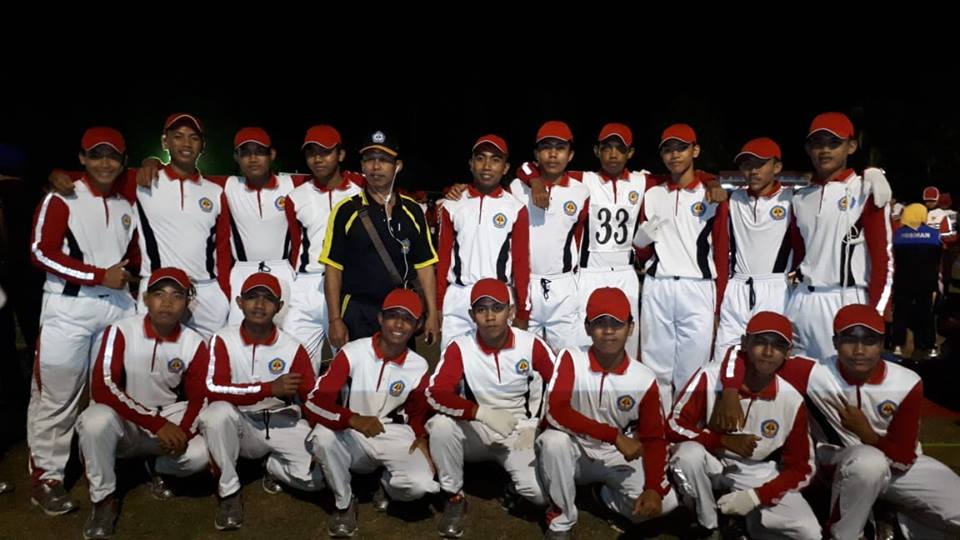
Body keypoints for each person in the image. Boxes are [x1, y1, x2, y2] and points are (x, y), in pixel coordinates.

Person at [715, 304, 960, 539]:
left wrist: (866, 433)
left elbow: (905, 458)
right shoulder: (815, 373)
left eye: (869, 340)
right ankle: (845, 535)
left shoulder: (906, 382)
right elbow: (740, 352)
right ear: (835, 342)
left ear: (883, 342)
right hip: (840, 463)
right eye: (849, 340)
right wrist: (730, 391)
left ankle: (898, 519)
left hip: (900, 466)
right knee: (868, 463)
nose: (859, 350)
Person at [28, 127, 138, 515]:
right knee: (58, 396)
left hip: (116, 308)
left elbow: (131, 257)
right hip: (69, 310)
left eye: (112, 156)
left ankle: (109, 463)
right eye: (96, 155)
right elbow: (41, 253)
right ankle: (47, 477)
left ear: (123, 161)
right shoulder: (62, 197)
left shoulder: (125, 204)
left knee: (117, 390)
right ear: (82, 158)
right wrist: (97, 276)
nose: (104, 163)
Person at [77, 267, 209, 539]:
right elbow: (102, 387)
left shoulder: (194, 342)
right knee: (95, 420)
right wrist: (156, 424)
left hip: (167, 418)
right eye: (159, 294)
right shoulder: (121, 331)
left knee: (201, 454)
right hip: (127, 421)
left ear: (187, 302)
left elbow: (200, 399)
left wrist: (183, 433)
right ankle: (103, 500)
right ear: (146, 299)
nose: (167, 302)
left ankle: (154, 467)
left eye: (177, 296)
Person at [537, 287, 677, 540]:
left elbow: (655, 438)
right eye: (600, 323)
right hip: (575, 449)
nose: (609, 331)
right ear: (587, 327)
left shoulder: (643, 377)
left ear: (631, 327)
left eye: (617, 323)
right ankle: (561, 520)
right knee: (552, 441)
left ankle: (600, 497)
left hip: (615, 457)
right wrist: (614, 435)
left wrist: (654, 488)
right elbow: (555, 411)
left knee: (664, 504)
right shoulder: (571, 358)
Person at [667, 311, 818, 540]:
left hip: (755, 469)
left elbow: (802, 468)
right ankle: (707, 524)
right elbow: (672, 425)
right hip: (710, 458)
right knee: (688, 456)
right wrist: (720, 440)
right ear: (746, 343)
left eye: (778, 345)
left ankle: (747, 524)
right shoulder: (711, 376)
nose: (768, 352)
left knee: (809, 532)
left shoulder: (791, 399)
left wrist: (757, 496)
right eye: (761, 342)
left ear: (788, 352)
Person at [305, 288, 439, 537]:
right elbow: (315, 401)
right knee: (322, 437)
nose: (398, 324)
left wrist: (422, 437)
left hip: (394, 434)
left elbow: (418, 412)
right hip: (352, 433)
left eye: (407, 319)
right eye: (392, 315)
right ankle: (344, 503)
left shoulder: (418, 365)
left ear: (417, 325)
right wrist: (351, 419)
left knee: (421, 485)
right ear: (380, 318)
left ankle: (386, 484)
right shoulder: (353, 351)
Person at [426, 278, 554, 538]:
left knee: (540, 495)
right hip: (478, 428)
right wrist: (481, 413)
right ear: (472, 314)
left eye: (497, 308)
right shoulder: (460, 347)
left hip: (518, 432)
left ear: (511, 311)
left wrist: (539, 425)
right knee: (440, 426)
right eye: (481, 309)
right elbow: (435, 393)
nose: (490, 316)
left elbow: (563, 385)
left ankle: (514, 486)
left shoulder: (531, 344)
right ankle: (454, 496)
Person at [198, 272, 323, 531]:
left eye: (268, 299)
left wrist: (320, 434)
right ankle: (229, 492)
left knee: (319, 478)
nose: (259, 304)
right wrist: (268, 388)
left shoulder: (292, 346)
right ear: (239, 302)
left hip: (281, 422)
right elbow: (213, 389)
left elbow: (311, 396)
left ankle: (273, 467)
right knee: (216, 413)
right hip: (241, 424)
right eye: (252, 297)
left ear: (279, 307)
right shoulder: (223, 339)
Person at [634, 123, 729, 412]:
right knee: (655, 365)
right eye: (668, 150)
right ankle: (657, 425)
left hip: (697, 287)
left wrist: (718, 305)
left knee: (693, 367)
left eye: (681, 148)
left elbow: (722, 252)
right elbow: (643, 251)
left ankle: (686, 425)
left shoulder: (712, 193)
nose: (674, 155)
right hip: (658, 285)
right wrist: (640, 243)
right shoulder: (652, 192)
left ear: (695, 151)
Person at [786, 112, 893, 360]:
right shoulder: (800, 198)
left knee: (837, 380)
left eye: (834, 143)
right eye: (818, 143)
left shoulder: (866, 189)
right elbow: (799, 255)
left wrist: (878, 312)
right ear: (808, 149)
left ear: (851, 146)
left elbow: (883, 258)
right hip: (802, 301)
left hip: (845, 298)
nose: (825, 150)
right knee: (795, 375)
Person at [320, 130, 439, 347]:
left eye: (384, 160)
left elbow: (425, 266)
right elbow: (333, 268)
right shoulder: (345, 210)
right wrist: (334, 319)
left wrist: (432, 314)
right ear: (362, 166)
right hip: (358, 312)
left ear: (397, 166)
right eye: (370, 159)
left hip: (400, 313)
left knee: (401, 369)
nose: (376, 167)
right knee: (357, 369)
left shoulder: (413, 211)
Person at [436, 134, 530, 348]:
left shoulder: (515, 208)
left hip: (498, 299)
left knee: (495, 363)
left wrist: (523, 310)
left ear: (505, 168)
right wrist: (438, 304)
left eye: (495, 160)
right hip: (459, 298)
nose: (487, 166)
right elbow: (442, 260)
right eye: (481, 158)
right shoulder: (451, 204)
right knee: (452, 363)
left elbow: (521, 264)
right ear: (471, 164)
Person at [284, 125, 363, 369]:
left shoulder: (361, 191)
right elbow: (295, 244)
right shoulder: (296, 196)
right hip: (306, 285)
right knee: (297, 364)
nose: (318, 159)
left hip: (346, 284)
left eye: (326, 152)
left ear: (340, 154)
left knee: (348, 364)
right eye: (311, 152)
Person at [509, 121, 590, 353]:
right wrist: (535, 182)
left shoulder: (580, 191)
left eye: (560, 148)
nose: (553, 154)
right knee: (523, 356)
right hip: (525, 284)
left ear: (570, 155)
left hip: (562, 285)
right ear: (536, 154)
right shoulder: (517, 187)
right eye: (546, 147)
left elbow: (577, 236)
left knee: (568, 356)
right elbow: (522, 168)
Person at [713, 138, 797, 361]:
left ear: (777, 167)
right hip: (737, 288)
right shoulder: (734, 199)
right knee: (723, 358)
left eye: (760, 164)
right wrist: (711, 182)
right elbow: (699, 178)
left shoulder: (792, 199)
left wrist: (871, 174)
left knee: (768, 361)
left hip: (775, 290)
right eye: (747, 165)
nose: (753, 171)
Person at [221, 127, 300, 326]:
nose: (253, 158)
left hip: (282, 271)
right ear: (236, 157)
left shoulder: (291, 184)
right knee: (237, 333)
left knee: (285, 334)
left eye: (260, 151)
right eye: (245, 152)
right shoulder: (228, 185)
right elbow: (187, 176)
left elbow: (334, 179)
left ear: (272, 154)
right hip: (243, 271)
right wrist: (153, 163)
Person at [891, 203, 942, 358]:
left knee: (900, 313)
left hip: (903, 280)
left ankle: (897, 345)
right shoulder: (934, 234)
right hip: (926, 281)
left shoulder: (898, 235)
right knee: (926, 313)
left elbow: (894, 258)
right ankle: (929, 346)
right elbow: (937, 259)